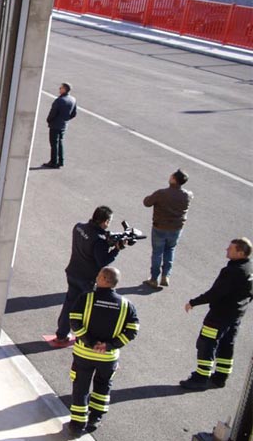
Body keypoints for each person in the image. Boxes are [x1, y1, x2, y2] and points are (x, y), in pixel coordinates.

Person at [66, 266, 139, 436]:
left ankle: (77, 424)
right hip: (108, 358)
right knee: (103, 386)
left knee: (81, 387)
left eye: (99, 275)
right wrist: (110, 346)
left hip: (84, 354)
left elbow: (74, 321)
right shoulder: (127, 305)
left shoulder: (86, 298)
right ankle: (95, 418)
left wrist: (91, 342)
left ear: (104, 280)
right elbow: (132, 331)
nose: (96, 277)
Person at [179, 238, 253, 391]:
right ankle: (221, 377)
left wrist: (193, 302)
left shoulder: (232, 271)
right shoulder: (249, 268)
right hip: (235, 316)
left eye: (231, 248)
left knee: (206, 343)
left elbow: (215, 293)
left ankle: (200, 378)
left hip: (218, 316)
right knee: (227, 344)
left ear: (240, 253)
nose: (226, 250)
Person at [54, 206, 127, 347]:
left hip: (73, 272)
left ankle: (61, 334)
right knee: (86, 310)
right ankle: (83, 339)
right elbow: (103, 262)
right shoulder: (99, 240)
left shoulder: (78, 227)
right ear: (105, 221)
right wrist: (116, 249)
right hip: (87, 279)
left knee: (69, 304)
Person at [142, 169, 192, 289]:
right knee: (170, 249)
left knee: (157, 252)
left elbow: (147, 202)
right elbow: (190, 196)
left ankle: (154, 278)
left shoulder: (161, 193)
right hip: (176, 228)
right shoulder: (187, 195)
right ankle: (166, 275)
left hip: (160, 227)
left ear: (174, 179)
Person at [42, 82, 78, 169]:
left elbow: (52, 113)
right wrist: (65, 119)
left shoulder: (59, 101)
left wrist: (49, 120)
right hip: (63, 124)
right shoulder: (73, 99)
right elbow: (74, 114)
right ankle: (61, 161)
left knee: (54, 143)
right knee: (60, 142)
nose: (59, 89)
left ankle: (53, 162)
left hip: (55, 125)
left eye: (61, 88)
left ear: (64, 89)